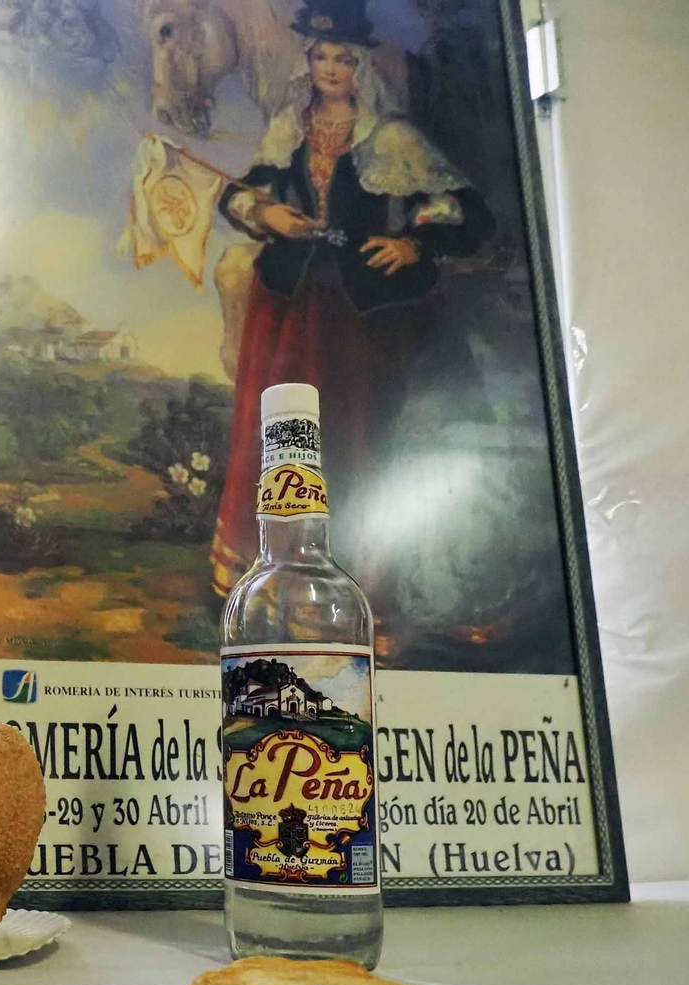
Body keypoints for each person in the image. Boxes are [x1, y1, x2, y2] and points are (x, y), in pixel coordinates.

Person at [209, 0, 492, 597]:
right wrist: (267, 214)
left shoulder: (391, 137)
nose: (330, 68)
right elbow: (235, 199)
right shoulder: (289, 126)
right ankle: (271, 570)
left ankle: (354, 580)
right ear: (306, 62)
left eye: (343, 57)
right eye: (320, 56)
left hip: (358, 317)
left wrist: (413, 245)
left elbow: (469, 216)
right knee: (279, 437)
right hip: (284, 305)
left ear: (361, 65)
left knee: (351, 439)